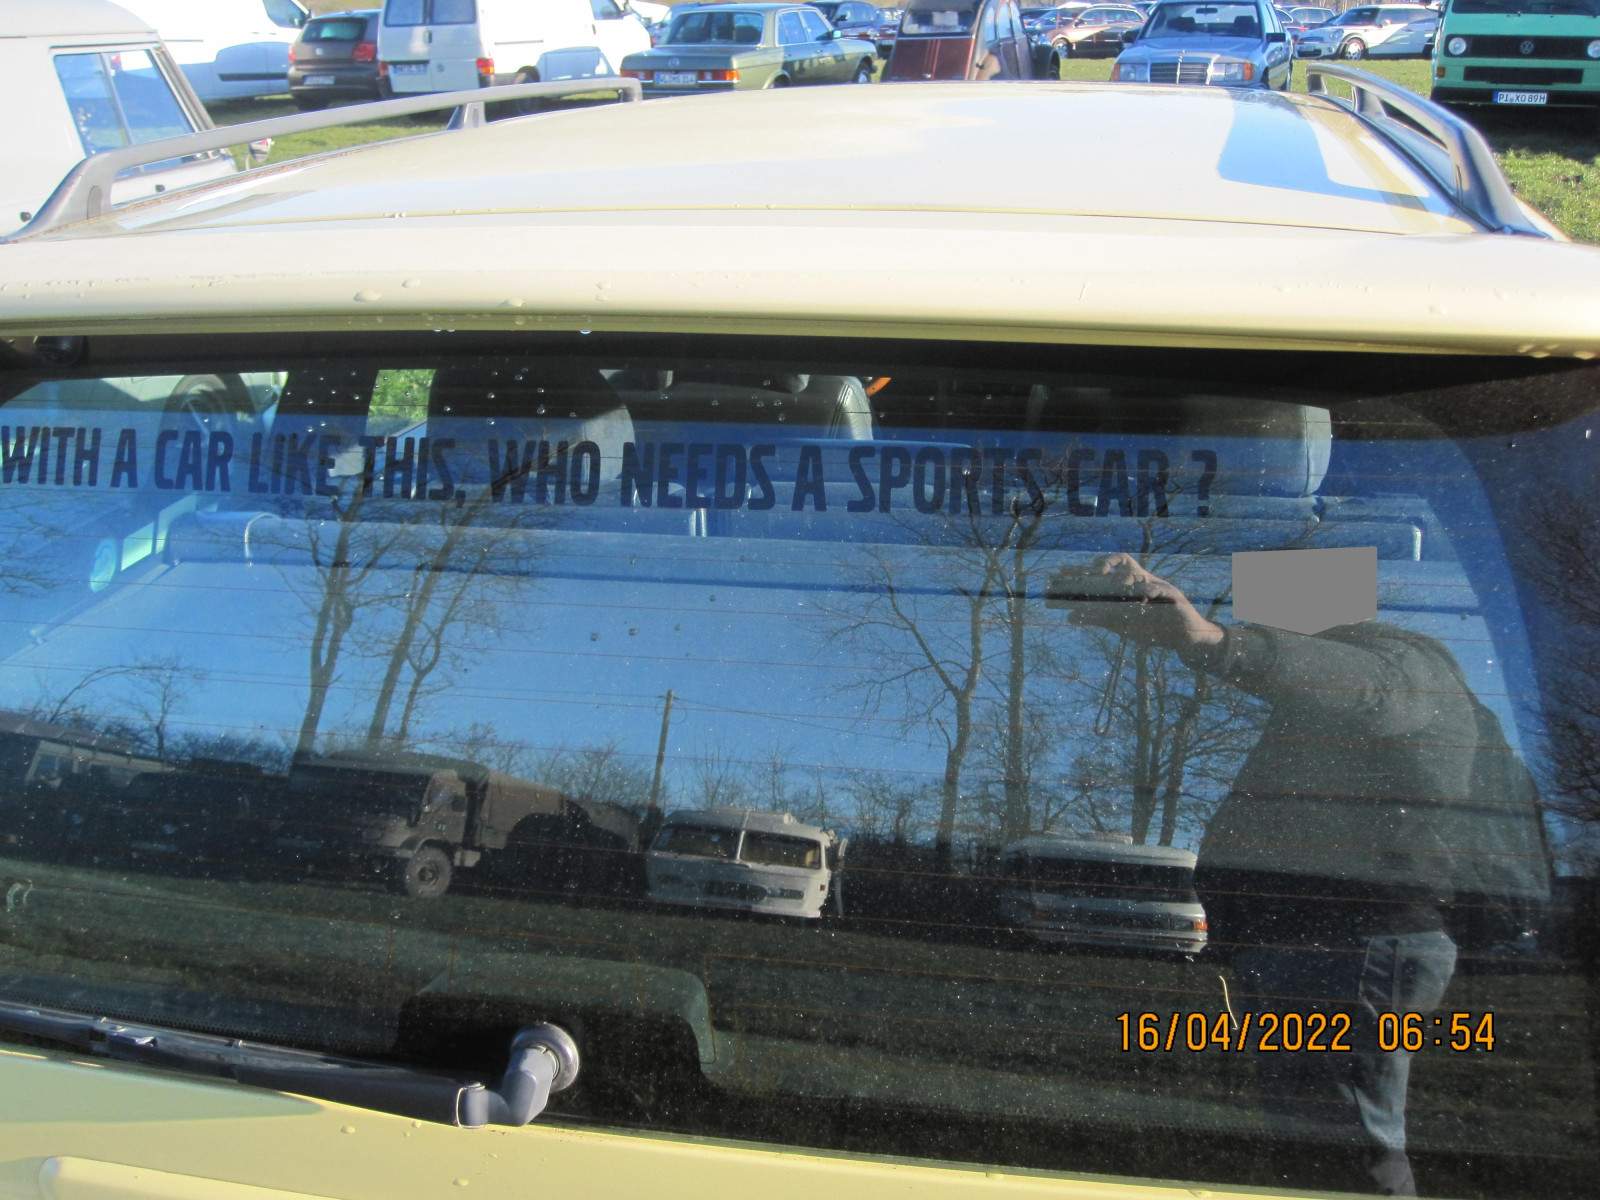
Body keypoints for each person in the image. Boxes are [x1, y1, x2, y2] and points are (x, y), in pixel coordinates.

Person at [1054, 552, 1478, 1197]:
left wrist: (1210, 640)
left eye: (1271, 596)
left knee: (1340, 1156)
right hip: (1321, 948)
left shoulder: (1406, 663)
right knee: (1317, 1148)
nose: (1256, 607)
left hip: (1348, 948)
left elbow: (1368, 687)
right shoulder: (1337, 701)